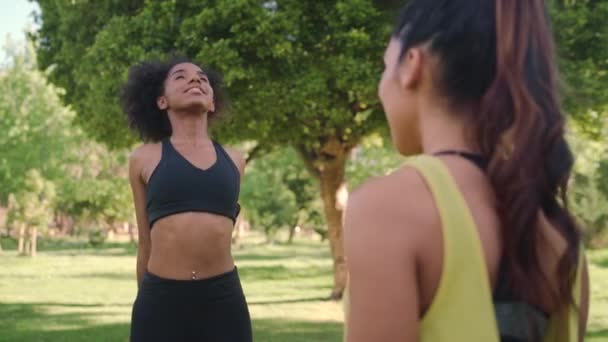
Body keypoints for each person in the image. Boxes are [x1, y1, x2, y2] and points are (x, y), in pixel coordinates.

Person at [343, 0, 589, 341]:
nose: (381, 87)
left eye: (385, 67)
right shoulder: (557, 231)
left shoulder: (388, 208)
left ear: (411, 66)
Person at [123, 57, 251, 341]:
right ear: (161, 102)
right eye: (180, 76)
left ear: (213, 103)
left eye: (203, 78)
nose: (195, 80)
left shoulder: (235, 159)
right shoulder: (143, 158)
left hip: (224, 299)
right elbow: (145, 241)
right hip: (161, 299)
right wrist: (145, 303)